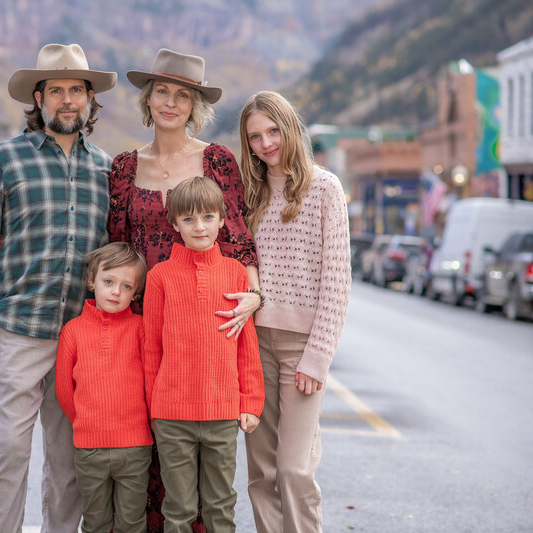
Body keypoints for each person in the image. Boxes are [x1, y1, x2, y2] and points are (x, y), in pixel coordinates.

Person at [0, 43, 117, 533]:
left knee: (67, 460)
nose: (66, 100)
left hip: (80, 338)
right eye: (55, 91)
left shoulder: (107, 169)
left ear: (89, 99)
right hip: (20, 330)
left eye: (75, 90)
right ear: (39, 98)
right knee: (9, 449)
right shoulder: (5, 159)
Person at [108, 47, 261, 531]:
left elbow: (238, 237)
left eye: (182, 95)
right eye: (161, 93)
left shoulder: (216, 160)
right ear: (148, 101)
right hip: (141, 322)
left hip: (204, 316)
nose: (170, 103)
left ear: (195, 105)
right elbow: (114, 245)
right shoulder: (125, 168)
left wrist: (254, 295)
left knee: (211, 484)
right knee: (147, 453)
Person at [238, 91, 351, 533]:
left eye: (273, 131)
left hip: (301, 347)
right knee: (261, 472)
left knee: (294, 470)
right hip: (252, 342)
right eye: (254, 137)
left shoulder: (324, 187)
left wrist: (318, 357)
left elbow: (337, 282)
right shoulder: (249, 194)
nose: (266, 144)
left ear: (290, 129)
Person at [143, 176, 265, 532]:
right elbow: (151, 347)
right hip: (172, 415)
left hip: (223, 412)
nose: (199, 227)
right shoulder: (159, 277)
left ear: (223, 219)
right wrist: (153, 406)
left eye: (208, 217)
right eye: (189, 219)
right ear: (175, 223)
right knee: (178, 509)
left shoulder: (236, 273)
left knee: (220, 505)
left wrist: (250, 401)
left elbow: (247, 344)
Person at [55, 242, 152, 533]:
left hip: (135, 447)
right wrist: (86, 422)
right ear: (91, 280)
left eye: (126, 286)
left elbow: (150, 380)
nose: (115, 292)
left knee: (131, 522)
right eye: (109, 282)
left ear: (135, 293)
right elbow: (63, 389)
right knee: (95, 521)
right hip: (89, 448)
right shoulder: (73, 330)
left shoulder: (140, 327)